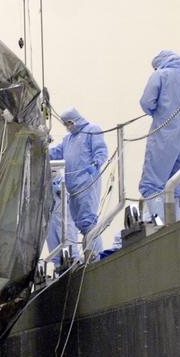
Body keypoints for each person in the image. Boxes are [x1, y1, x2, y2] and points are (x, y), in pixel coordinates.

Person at [137, 50, 180, 222]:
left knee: (152, 185)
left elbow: (146, 102)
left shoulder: (160, 75)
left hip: (165, 136)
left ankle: (160, 223)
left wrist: (157, 113)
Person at [49, 108, 108, 257]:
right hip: (73, 188)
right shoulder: (68, 140)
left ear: (75, 119)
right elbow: (55, 154)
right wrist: (40, 148)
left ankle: (95, 256)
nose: (68, 126)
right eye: (65, 124)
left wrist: (96, 164)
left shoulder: (92, 130)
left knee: (88, 221)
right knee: (80, 223)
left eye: (69, 123)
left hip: (87, 183)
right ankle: (89, 255)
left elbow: (101, 151)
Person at [45, 167, 78, 265]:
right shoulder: (43, 186)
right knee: (54, 252)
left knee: (70, 249)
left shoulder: (66, 182)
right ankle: (59, 270)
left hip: (65, 221)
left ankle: (75, 266)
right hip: (50, 223)